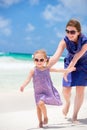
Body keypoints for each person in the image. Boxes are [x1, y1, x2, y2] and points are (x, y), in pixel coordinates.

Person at [48, 18, 87, 123]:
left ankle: (75, 116)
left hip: (83, 64)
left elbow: (76, 58)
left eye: (72, 32)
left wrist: (67, 70)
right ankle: (67, 103)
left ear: (78, 32)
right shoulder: (64, 41)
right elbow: (55, 57)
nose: (69, 34)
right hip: (69, 62)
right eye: (67, 31)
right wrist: (45, 67)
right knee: (66, 90)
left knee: (80, 89)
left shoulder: (85, 42)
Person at [20, 49, 72, 128]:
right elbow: (28, 79)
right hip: (38, 92)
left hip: (47, 91)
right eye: (36, 60)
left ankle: (45, 116)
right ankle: (40, 122)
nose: (39, 62)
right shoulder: (33, 70)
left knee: (40, 104)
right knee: (39, 106)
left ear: (45, 60)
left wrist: (68, 70)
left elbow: (57, 70)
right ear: (34, 60)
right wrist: (23, 85)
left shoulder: (47, 69)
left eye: (41, 60)